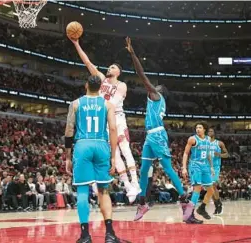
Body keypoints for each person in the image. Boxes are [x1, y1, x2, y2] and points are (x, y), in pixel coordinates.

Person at [124, 37, 194, 222]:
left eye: (156, 86)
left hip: (157, 135)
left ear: (159, 91)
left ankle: (185, 199)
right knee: (145, 168)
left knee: (167, 168)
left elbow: (141, 74)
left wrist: (132, 54)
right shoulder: (155, 100)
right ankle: (142, 202)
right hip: (150, 137)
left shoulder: (155, 96)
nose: (152, 86)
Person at [69, 37, 140, 203]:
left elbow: (113, 103)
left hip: (117, 118)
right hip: (106, 119)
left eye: (113, 67)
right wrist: (76, 44)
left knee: (125, 150)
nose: (110, 67)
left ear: (118, 72)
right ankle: (128, 186)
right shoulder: (100, 78)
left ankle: (135, 183)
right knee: (113, 154)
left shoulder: (122, 85)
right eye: (109, 66)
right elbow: (87, 62)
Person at [65, 75, 123, 243]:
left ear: (86, 86)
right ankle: (110, 234)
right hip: (101, 145)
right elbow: (113, 129)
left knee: (83, 190)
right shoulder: (107, 104)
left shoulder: (75, 104)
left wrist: (68, 156)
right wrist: (113, 156)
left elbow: (69, 130)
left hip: (82, 145)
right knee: (103, 190)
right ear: (100, 88)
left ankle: (85, 236)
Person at [182, 122, 215, 223]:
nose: (198, 129)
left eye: (200, 127)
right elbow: (186, 153)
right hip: (195, 165)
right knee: (197, 189)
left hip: (205, 166)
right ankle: (189, 215)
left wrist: (212, 167)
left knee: (211, 191)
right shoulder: (192, 139)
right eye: (196, 127)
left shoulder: (208, 139)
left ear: (204, 129)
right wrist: (184, 167)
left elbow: (208, 154)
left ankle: (201, 208)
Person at [208, 127, 228, 215]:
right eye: (208, 131)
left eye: (211, 131)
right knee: (209, 188)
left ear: (214, 133)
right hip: (206, 167)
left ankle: (219, 204)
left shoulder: (219, 143)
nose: (210, 132)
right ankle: (217, 205)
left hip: (215, 167)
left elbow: (227, 154)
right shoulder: (204, 143)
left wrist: (219, 154)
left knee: (213, 185)